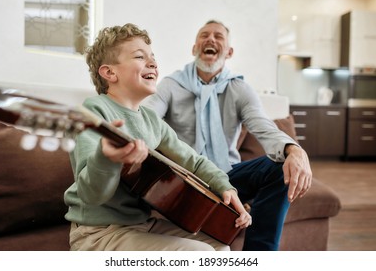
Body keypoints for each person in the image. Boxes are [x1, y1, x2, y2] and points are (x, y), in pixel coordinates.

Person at [63, 23, 251, 251]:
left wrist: (226, 188)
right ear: (110, 72)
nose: (153, 62)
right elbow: (91, 195)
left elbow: (194, 161)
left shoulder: (152, 120)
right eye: (140, 57)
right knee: (198, 254)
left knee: (221, 247)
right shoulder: (94, 113)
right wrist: (106, 158)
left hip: (141, 225)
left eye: (152, 57)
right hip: (99, 233)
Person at [143, 20, 313, 251]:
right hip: (184, 179)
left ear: (229, 52)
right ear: (194, 48)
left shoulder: (240, 89)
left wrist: (294, 149)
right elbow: (147, 118)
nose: (211, 39)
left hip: (227, 176)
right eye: (204, 35)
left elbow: (262, 125)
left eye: (218, 37)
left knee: (278, 165)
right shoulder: (170, 85)